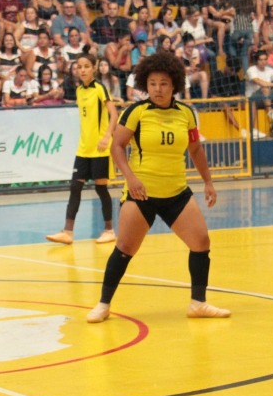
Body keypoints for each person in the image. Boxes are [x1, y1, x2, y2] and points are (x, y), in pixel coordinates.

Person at [86, 51, 229, 323]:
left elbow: (195, 149)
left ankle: (198, 303)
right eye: (152, 84)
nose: (158, 89)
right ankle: (103, 305)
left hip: (177, 193)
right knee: (125, 248)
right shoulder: (137, 112)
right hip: (142, 194)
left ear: (174, 84)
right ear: (145, 85)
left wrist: (208, 182)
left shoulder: (186, 114)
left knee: (201, 242)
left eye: (163, 84)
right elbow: (117, 146)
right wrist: (130, 178)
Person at [46, 53, 118, 246]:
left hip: (100, 148)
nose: (83, 70)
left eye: (86, 66)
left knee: (101, 188)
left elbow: (114, 114)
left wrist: (107, 136)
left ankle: (109, 230)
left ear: (94, 68)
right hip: (84, 148)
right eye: (79, 66)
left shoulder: (100, 88)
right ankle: (67, 232)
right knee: (75, 187)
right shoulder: (79, 91)